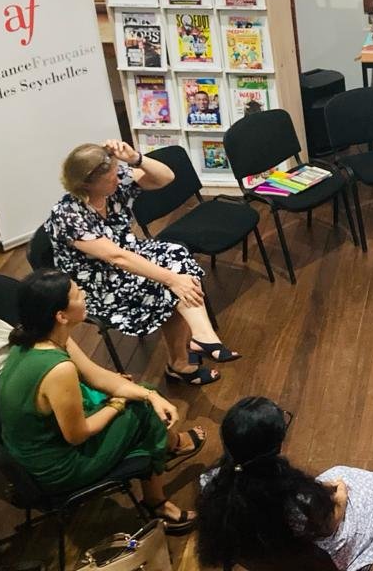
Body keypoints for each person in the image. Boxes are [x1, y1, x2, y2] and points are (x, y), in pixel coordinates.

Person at [0, 269, 205, 534]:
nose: (84, 294)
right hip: (58, 467)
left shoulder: (35, 339)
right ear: (61, 316)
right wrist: (118, 403)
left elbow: (96, 377)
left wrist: (150, 395)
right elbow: (77, 435)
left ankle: (166, 449)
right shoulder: (57, 369)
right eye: (77, 294)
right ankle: (158, 499)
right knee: (142, 412)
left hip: (32, 452)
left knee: (142, 394)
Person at [45, 140, 238, 386]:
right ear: (86, 184)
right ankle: (181, 361)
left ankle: (202, 335)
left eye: (117, 172)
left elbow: (166, 177)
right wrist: (172, 279)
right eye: (110, 178)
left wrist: (136, 158)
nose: (117, 180)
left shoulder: (115, 181)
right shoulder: (67, 214)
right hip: (98, 284)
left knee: (176, 255)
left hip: (128, 256)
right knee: (169, 284)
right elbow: (116, 258)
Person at [196, 397, 373, 571]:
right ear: (275, 445)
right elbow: (329, 526)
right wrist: (341, 497)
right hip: (314, 561)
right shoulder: (297, 501)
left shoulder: (210, 483)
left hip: (264, 560)